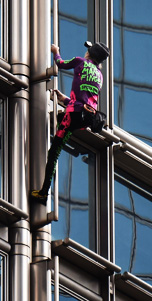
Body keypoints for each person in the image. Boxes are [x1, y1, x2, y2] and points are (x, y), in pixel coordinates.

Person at [31, 41, 109, 200]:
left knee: (54, 152)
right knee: (61, 125)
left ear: (89, 53)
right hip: (86, 117)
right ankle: (44, 191)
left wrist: (55, 51)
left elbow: (60, 64)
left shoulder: (80, 61)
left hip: (73, 115)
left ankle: (43, 193)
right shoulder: (99, 76)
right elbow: (87, 100)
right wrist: (64, 100)